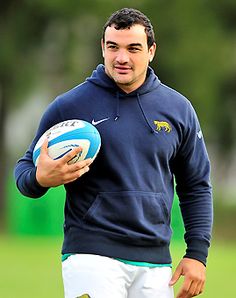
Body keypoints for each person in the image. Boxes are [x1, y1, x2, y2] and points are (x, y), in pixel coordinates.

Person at [14, 7, 213, 298]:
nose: (121, 58)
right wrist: (40, 178)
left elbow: (196, 185)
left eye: (133, 48)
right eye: (113, 47)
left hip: (156, 262)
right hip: (91, 255)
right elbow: (23, 172)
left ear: (151, 51)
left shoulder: (178, 109)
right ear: (102, 48)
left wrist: (197, 253)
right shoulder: (70, 106)